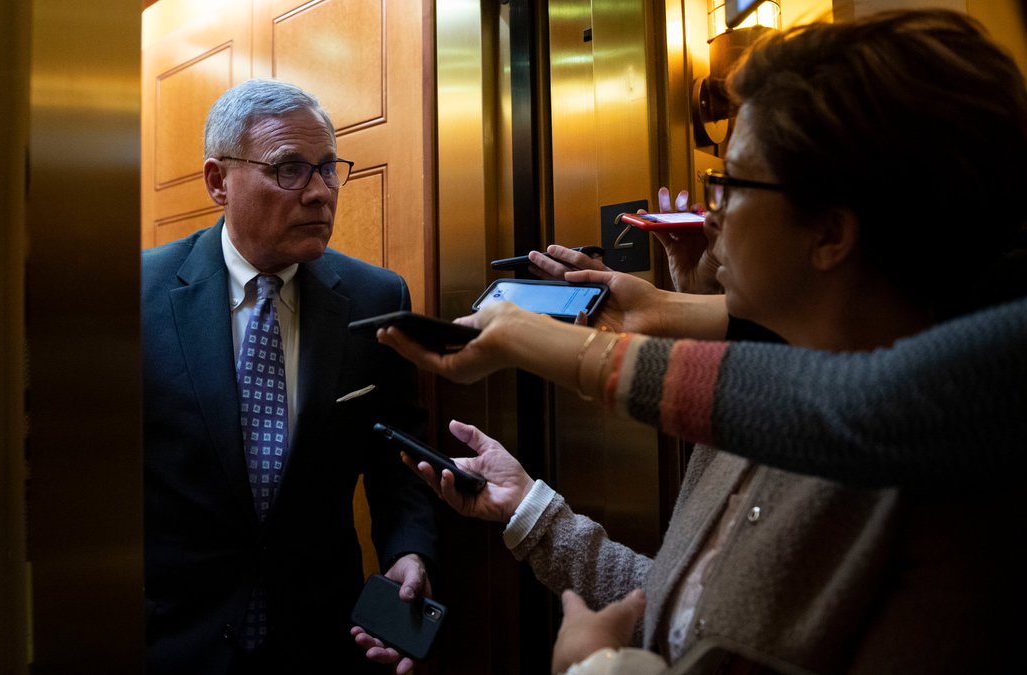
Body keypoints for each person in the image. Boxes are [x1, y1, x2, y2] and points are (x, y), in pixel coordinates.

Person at [379, 9, 1025, 674]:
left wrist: (599, 669)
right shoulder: (744, 402)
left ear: (831, 233)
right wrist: (530, 510)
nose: (709, 215)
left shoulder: (947, 477)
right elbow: (685, 611)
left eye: (731, 183)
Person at [141, 78, 437, 674]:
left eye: (328, 169)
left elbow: (398, 459)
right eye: (289, 169)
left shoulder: (376, 297)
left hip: (322, 640)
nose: (320, 192)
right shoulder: (139, 294)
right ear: (218, 181)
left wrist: (409, 550)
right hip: (173, 638)